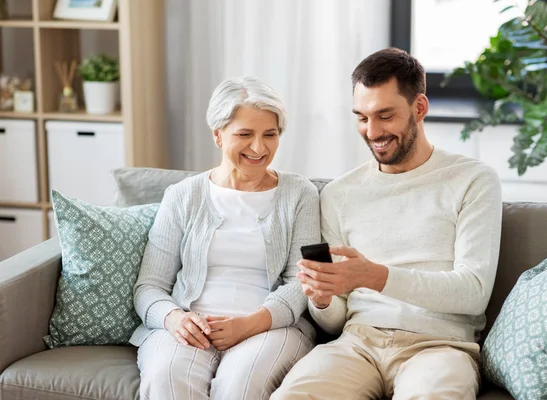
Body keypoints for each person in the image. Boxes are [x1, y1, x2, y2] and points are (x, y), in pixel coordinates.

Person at [272, 48, 502, 399]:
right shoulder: (339, 194)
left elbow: (473, 292)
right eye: (362, 118)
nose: (372, 131)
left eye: (385, 115)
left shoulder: (472, 180)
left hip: (439, 347)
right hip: (356, 344)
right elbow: (336, 320)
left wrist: (374, 276)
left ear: (419, 108)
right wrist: (322, 300)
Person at [130, 77, 320, 400]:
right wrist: (174, 318)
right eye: (245, 134)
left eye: (270, 135)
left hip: (268, 328)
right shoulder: (182, 196)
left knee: (241, 386)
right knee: (166, 380)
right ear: (218, 135)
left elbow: (300, 284)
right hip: (191, 328)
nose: (259, 148)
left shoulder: (300, 194)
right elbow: (148, 286)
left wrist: (246, 325)